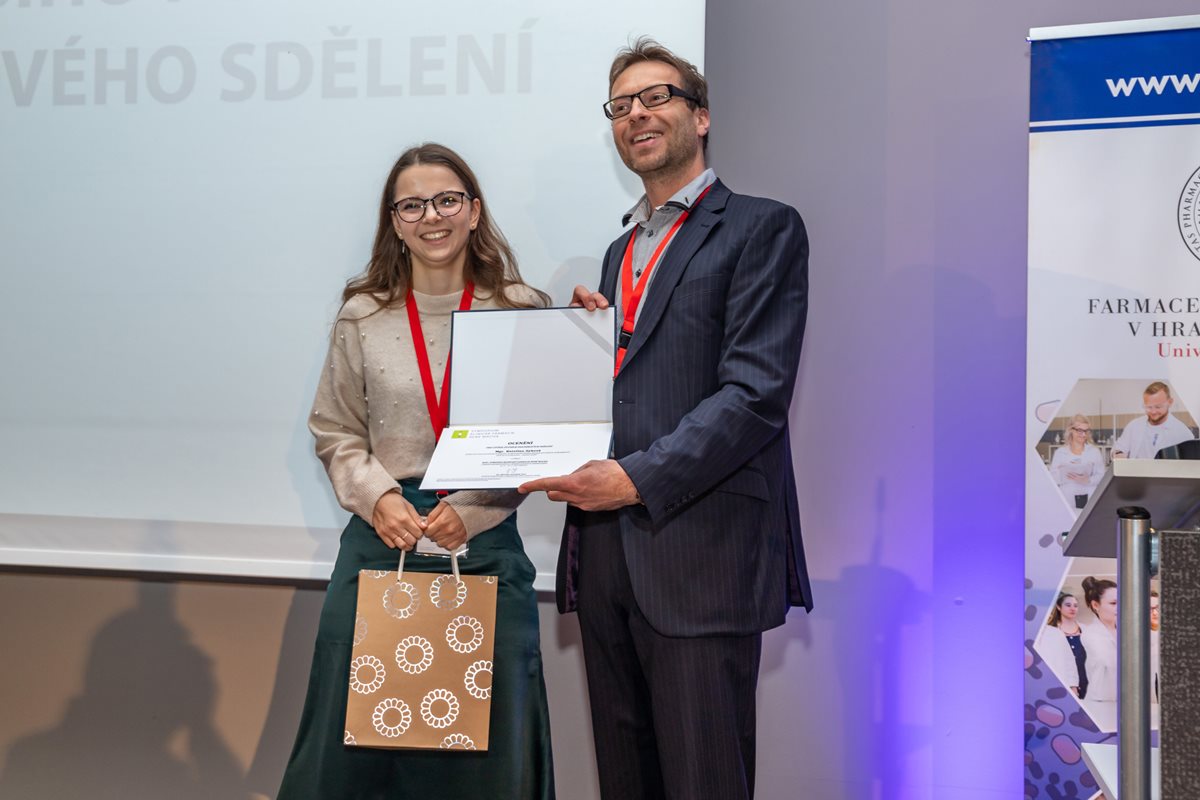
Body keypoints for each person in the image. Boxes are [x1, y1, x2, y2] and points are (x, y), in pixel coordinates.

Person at [519, 39, 810, 800]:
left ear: (700, 116)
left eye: (656, 97)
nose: (637, 114)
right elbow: (642, 383)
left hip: (700, 554)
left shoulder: (761, 227)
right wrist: (587, 347)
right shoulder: (618, 253)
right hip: (607, 556)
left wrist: (633, 480)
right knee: (626, 781)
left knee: (703, 780)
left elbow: (755, 396)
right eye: (621, 106)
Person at [278, 143, 555, 800]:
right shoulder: (363, 313)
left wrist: (475, 509)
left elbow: (538, 437)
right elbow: (336, 430)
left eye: (447, 200)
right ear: (395, 221)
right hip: (383, 540)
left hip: (484, 545)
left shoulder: (521, 309)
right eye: (412, 205)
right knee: (350, 753)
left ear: (474, 210)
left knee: (488, 754)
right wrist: (378, 499)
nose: (432, 216)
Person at [1111, 381, 1193, 459]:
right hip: (1136, 469)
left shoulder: (1182, 432)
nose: (1153, 412)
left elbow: (1190, 465)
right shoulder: (1134, 426)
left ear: (1170, 402)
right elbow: (1118, 448)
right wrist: (1118, 453)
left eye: (1158, 407)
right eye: (1149, 407)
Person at [1036, 593, 1088, 698]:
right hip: (1063, 680)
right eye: (1068, 605)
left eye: (1075, 605)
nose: (1072, 608)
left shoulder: (1086, 630)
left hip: (1086, 680)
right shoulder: (1050, 632)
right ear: (1059, 607)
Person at [1049, 414, 1105, 509]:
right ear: (1071, 430)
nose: (1083, 434)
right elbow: (1053, 478)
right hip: (1067, 496)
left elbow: (1101, 476)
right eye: (1079, 430)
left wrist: (1088, 480)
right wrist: (1062, 474)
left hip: (1089, 495)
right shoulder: (1060, 453)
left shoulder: (1094, 452)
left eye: (1086, 431)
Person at [1079, 577, 1118, 704]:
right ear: (1095, 605)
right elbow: (1108, 661)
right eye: (1113, 603)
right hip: (1102, 700)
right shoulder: (1090, 634)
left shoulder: (1125, 631)